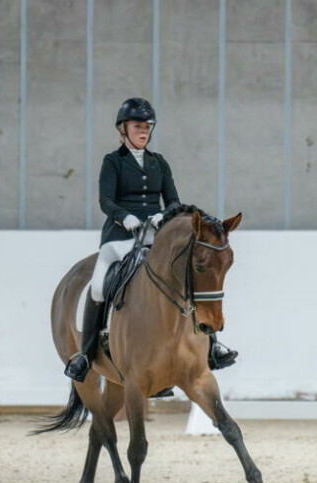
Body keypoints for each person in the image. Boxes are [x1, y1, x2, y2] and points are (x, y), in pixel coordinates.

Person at [64, 97, 238, 383]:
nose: (143, 131)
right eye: (137, 126)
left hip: (156, 236)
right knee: (97, 287)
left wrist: (163, 216)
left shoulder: (159, 163)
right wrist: (125, 217)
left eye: (147, 127)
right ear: (124, 129)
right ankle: (85, 354)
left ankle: (213, 345)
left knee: (190, 276)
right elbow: (105, 201)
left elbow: (174, 201)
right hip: (120, 236)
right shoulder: (113, 162)